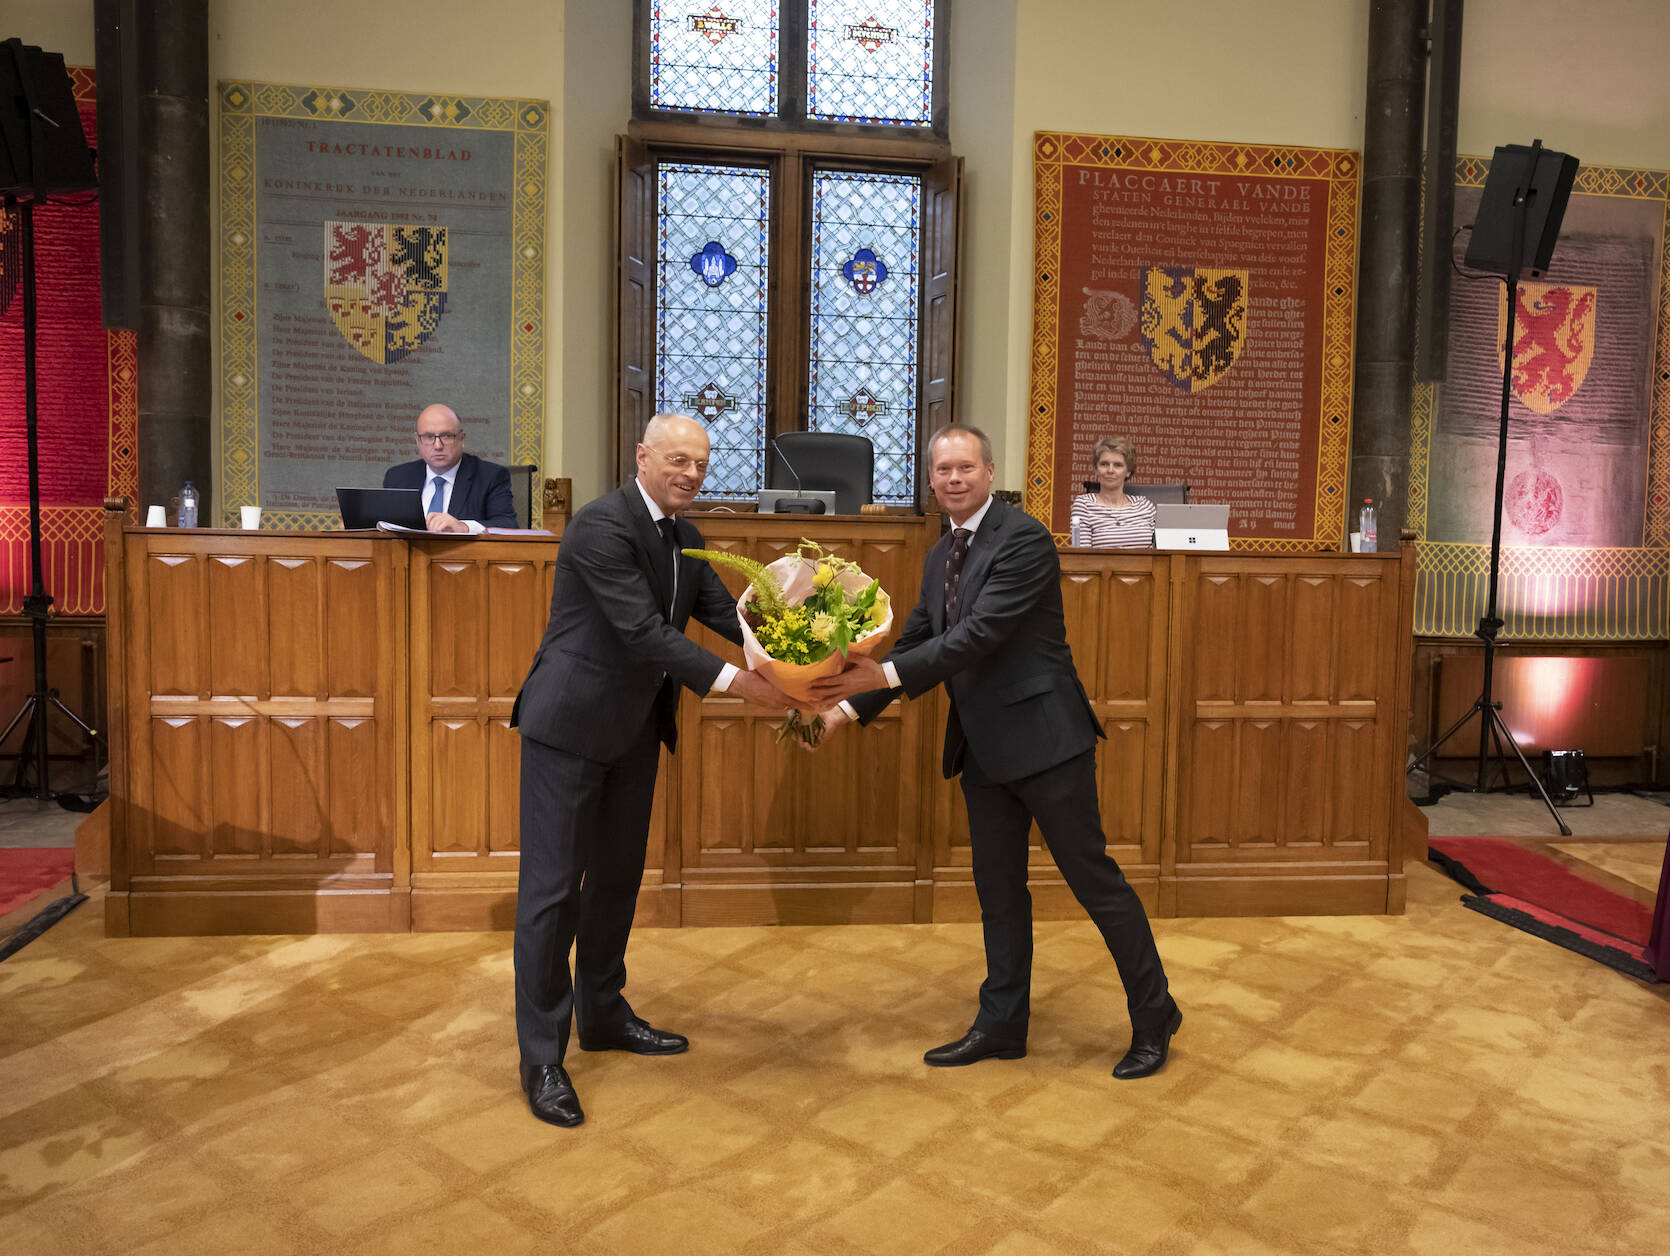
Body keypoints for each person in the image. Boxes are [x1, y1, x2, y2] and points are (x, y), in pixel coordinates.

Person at [807, 424, 1181, 1079]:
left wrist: (877, 678)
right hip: (982, 748)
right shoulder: (938, 554)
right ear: (931, 480)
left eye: (965, 467)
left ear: (988, 472)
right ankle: (1003, 1023)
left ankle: (1155, 1016)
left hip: (1047, 742)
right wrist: (843, 707)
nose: (953, 479)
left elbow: (978, 636)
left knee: (1096, 885)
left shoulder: (1025, 539)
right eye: (942, 470)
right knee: (998, 892)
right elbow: (919, 640)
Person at [510, 413, 807, 1127]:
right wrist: (745, 687)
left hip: (636, 732)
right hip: (569, 729)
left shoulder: (684, 537)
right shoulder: (600, 527)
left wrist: (804, 646)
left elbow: (730, 616)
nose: (690, 474)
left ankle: (602, 1014)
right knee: (553, 895)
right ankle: (542, 1057)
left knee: (616, 882)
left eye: (700, 463)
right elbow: (641, 632)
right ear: (642, 456)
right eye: (677, 460)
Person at [383, 403, 520, 532]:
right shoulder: (397, 477)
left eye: (446, 436)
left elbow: (508, 525)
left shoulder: (490, 476)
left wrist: (464, 527)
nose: (438, 446)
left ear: (461, 439)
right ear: (418, 441)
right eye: (429, 437)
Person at [1068, 435, 1156, 548]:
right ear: (1096, 469)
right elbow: (1082, 556)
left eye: (1118, 465)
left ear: (1128, 471)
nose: (1110, 470)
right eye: (1104, 464)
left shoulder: (1144, 506)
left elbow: (1160, 551)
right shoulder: (1084, 505)